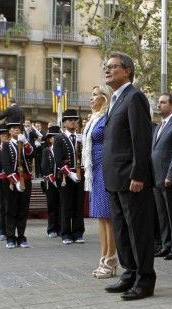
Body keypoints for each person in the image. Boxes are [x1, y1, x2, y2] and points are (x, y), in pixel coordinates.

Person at [102, 51, 156, 301]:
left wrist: (139, 174)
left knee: (138, 230)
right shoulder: (114, 99)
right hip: (114, 177)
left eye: (113, 66)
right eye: (106, 66)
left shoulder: (135, 98)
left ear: (128, 71)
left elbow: (141, 140)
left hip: (131, 177)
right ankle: (129, 273)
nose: (107, 69)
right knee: (122, 230)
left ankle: (145, 279)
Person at [82, 85, 118, 279]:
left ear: (105, 98)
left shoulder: (107, 118)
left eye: (95, 95)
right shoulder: (94, 119)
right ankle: (104, 256)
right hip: (94, 169)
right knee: (101, 217)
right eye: (92, 94)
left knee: (108, 216)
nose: (91, 98)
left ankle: (111, 259)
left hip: (105, 168)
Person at [152, 93, 172, 260]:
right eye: (158, 102)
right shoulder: (158, 126)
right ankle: (166, 245)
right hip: (156, 177)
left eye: (163, 102)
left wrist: (171, 174)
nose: (159, 105)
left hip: (167, 177)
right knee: (162, 215)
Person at [0, 108, 35, 249]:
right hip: (11, 181)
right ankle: (10, 237)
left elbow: (32, 154)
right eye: (13, 128)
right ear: (9, 131)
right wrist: (15, 181)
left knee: (23, 209)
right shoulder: (6, 145)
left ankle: (21, 236)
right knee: (11, 209)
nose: (16, 130)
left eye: (18, 128)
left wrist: (26, 142)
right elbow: (6, 165)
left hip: (25, 179)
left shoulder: (24, 143)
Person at [54, 109, 85, 245]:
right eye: (70, 120)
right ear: (64, 123)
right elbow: (58, 160)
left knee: (79, 204)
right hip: (66, 176)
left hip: (80, 174)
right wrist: (70, 173)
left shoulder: (81, 137)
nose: (73, 122)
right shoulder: (59, 138)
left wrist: (82, 171)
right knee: (66, 205)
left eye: (75, 120)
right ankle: (65, 233)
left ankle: (78, 232)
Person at [41, 125, 61, 238]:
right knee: (52, 206)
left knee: (62, 205)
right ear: (49, 139)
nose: (55, 138)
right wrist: (51, 178)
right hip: (50, 182)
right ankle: (52, 228)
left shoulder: (62, 150)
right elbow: (44, 166)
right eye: (53, 137)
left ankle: (61, 227)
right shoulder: (46, 151)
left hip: (62, 181)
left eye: (57, 137)